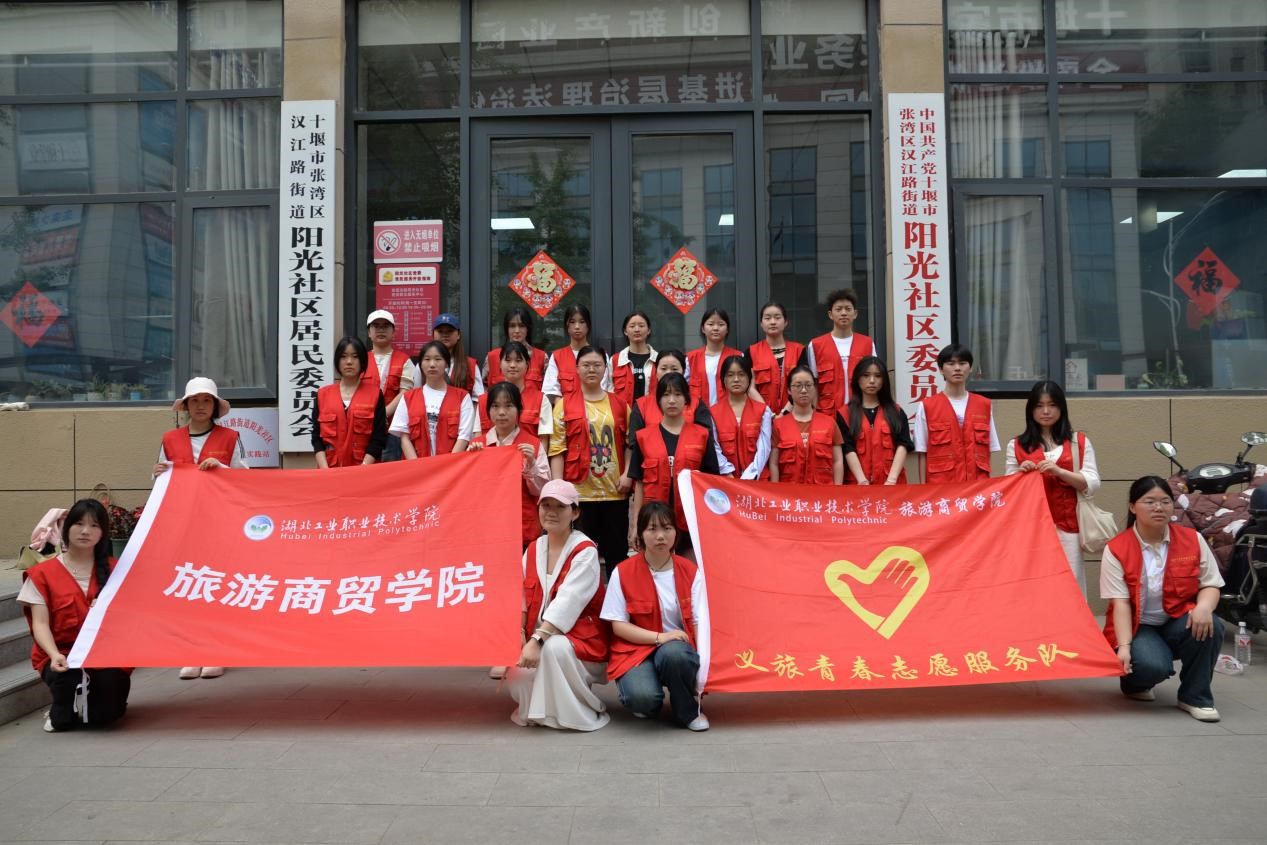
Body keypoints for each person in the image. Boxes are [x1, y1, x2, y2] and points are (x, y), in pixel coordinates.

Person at [1101, 476, 1225, 722]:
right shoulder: (1116, 548)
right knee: (1151, 666)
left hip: (1177, 618)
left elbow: (1211, 583)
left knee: (1212, 625)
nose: (1158, 507)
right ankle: (1134, 683)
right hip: (1138, 626)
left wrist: (1203, 607)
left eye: (1165, 501)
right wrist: (1124, 647)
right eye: (1149, 502)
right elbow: (1121, 603)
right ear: (1132, 507)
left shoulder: (1193, 539)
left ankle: (1195, 697)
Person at [154, 376, 245, 680]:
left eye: (207, 401)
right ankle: (192, 651)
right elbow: (161, 481)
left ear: (215, 406)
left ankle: (217, 650)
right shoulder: (169, 439)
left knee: (216, 583)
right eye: (195, 401)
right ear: (186, 405)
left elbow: (245, 479)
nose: (201, 406)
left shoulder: (230, 437)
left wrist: (222, 469)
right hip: (183, 523)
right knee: (190, 585)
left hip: (220, 523)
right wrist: (157, 473)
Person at [19, 498, 131, 732]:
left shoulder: (118, 571)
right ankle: (61, 707)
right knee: (62, 722)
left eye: (94, 525)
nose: (85, 531)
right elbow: (40, 624)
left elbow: (131, 620)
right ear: (66, 527)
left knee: (105, 718)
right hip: (62, 654)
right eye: (79, 523)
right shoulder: (42, 574)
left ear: (103, 533)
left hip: (105, 654)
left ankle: (100, 699)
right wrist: (53, 655)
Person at [506, 480, 610, 731]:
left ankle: (575, 714)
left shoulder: (585, 551)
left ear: (575, 512)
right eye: (546, 505)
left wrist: (536, 641)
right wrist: (519, 633)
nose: (551, 512)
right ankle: (538, 711)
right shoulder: (533, 549)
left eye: (560, 507)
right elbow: (519, 596)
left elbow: (568, 602)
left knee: (555, 648)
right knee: (517, 677)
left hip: (581, 641)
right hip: (536, 639)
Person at [601, 502, 709, 730]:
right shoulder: (623, 572)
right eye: (652, 529)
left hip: (677, 649)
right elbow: (618, 626)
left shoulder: (690, 571)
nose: (660, 536)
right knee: (643, 700)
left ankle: (688, 711)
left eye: (667, 528)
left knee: (674, 655)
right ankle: (648, 695)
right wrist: (660, 637)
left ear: (676, 533)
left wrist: (703, 665)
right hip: (635, 650)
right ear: (640, 533)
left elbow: (699, 620)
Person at [1004, 380, 1100, 594]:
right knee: (1035, 584)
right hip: (1032, 527)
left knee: (1071, 584)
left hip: (1069, 526)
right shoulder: (1016, 445)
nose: (1046, 411)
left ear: (1061, 408)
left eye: (1052, 405)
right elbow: (1009, 491)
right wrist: (1021, 474)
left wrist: (1060, 472)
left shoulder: (1079, 441)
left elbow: (1092, 483)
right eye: (1039, 406)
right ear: (1030, 410)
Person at [548, 346, 629, 575]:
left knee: (617, 554)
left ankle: (616, 597)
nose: (591, 369)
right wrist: (559, 488)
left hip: (615, 492)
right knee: (581, 557)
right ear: (577, 368)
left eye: (597, 365)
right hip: (579, 494)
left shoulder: (620, 404)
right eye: (586, 365)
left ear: (605, 369)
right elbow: (557, 449)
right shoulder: (564, 404)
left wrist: (627, 475)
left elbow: (630, 443)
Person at [628, 373, 726, 547]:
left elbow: (711, 484)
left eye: (678, 394)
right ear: (658, 400)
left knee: (688, 563)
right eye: (666, 395)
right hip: (653, 521)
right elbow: (640, 485)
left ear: (687, 399)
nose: (672, 400)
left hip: (691, 520)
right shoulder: (643, 437)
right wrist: (636, 524)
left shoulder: (702, 436)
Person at [475, 382, 550, 548]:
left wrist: (531, 463)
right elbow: (469, 492)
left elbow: (542, 491)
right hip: (486, 530)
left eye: (508, 406)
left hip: (523, 530)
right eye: (495, 406)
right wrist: (471, 460)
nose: (502, 412)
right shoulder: (477, 446)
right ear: (488, 410)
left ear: (518, 409)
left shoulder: (533, 445)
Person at [911, 343, 999, 483]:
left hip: (976, 486)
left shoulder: (984, 405)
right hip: (941, 487)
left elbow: (987, 452)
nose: (957, 368)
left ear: (970, 368)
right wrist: (923, 489)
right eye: (951, 364)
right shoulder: (927, 406)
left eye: (962, 363)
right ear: (941, 369)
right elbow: (922, 452)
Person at [313, 336, 388, 468]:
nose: (349, 362)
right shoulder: (322, 394)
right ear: (337, 361)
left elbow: (379, 437)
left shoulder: (375, 394)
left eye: (355, 357)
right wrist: (325, 470)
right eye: (343, 357)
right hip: (329, 470)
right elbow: (316, 437)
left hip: (364, 470)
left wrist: (363, 468)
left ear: (362, 361)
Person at [391, 340, 474, 459]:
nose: (432, 364)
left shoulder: (462, 397)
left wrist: (447, 466)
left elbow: (464, 437)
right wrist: (418, 466)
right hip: (416, 466)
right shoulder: (408, 398)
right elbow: (405, 437)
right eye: (427, 359)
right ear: (420, 365)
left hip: (451, 466)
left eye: (438, 359)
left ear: (446, 364)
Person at [841, 357, 912, 487]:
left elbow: (903, 444)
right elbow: (848, 448)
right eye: (866, 375)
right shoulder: (844, 414)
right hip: (858, 485)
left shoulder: (896, 411)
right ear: (857, 378)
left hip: (891, 485)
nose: (872, 381)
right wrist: (862, 480)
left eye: (878, 376)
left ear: (884, 380)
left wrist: (892, 480)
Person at [769, 366, 844, 485]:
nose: (804, 390)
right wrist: (775, 491)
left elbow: (837, 461)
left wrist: (837, 489)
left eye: (808, 385)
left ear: (814, 388)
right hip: (789, 492)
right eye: (798, 385)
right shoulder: (778, 425)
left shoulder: (829, 423)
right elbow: (774, 464)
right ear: (789, 390)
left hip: (822, 492)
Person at [804, 289, 874, 413]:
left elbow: (875, 380)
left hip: (860, 413)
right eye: (839, 309)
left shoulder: (867, 344)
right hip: (828, 414)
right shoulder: (816, 345)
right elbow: (812, 384)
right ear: (830, 314)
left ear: (855, 314)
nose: (843, 313)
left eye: (848, 309)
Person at [477, 341, 553, 448]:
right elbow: (478, 438)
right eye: (507, 360)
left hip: (527, 457)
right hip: (490, 458)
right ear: (500, 364)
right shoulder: (484, 400)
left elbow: (543, 443)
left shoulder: (541, 400)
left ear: (527, 365)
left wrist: (535, 458)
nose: (512, 365)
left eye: (518, 360)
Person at [363, 309, 416, 462]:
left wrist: (382, 415)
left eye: (385, 326)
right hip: (364, 426)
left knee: (390, 470)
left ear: (393, 332)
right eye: (376, 326)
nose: (381, 330)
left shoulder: (405, 360)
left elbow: (405, 393)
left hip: (394, 429)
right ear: (369, 332)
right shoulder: (360, 360)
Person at [711, 354, 772, 481]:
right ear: (723, 380)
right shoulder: (713, 412)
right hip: (726, 481)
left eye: (741, 374)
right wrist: (728, 473)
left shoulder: (763, 411)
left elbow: (764, 448)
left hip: (757, 480)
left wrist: (750, 476)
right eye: (730, 375)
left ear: (749, 378)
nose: (736, 379)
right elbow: (715, 448)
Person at [542, 304, 611, 400]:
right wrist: (564, 407)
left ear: (588, 325)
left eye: (582, 322)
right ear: (566, 325)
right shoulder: (557, 356)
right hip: (564, 408)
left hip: (596, 407)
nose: (577, 326)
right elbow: (551, 391)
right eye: (572, 322)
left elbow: (604, 388)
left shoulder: (600, 355)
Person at [747, 300, 804, 413]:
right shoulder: (751, 352)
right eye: (767, 318)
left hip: (794, 414)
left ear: (785, 322)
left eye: (777, 317)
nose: (773, 322)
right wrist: (769, 414)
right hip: (762, 415)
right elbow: (749, 388)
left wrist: (785, 412)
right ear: (761, 323)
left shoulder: (799, 350)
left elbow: (803, 384)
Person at [685, 308, 742, 409]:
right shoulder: (691, 358)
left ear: (727, 329)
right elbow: (682, 390)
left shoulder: (738, 356)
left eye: (721, 324)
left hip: (729, 412)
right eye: (710, 324)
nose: (715, 328)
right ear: (703, 329)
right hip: (698, 414)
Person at [484, 306, 547, 393]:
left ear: (528, 328)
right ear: (506, 329)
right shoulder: (492, 357)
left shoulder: (541, 357)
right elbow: (484, 390)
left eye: (521, 326)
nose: (517, 330)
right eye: (512, 326)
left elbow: (548, 391)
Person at [611, 310, 657, 405]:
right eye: (632, 326)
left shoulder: (658, 360)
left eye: (641, 326)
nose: (637, 329)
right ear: (625, 331)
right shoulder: (615, 360)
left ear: (648, 330)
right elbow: (607, 390)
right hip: (623, 412)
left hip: (651, 412)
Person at [432, 313, 484, 397]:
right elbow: (417, 395)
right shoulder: (424, 363)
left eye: (450, 331)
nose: (445, 334)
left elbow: (478, 398)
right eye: (440, 331)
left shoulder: (470, 365)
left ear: (458, 335)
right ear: (433, 334)